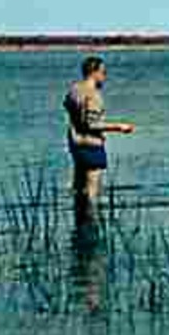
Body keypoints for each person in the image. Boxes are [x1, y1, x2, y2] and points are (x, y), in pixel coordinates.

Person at [63, 55, 135, 225]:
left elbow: (67, 106)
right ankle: (90, 223)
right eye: (103, 73)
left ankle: (79, 222)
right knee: (91, 191)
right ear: (94, 73)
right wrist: (119, 127)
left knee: (78, 187)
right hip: (92, 145)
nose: (104, 77)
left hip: (75, 143)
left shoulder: (74, 90)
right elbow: (91, 124)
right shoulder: (93, 95)